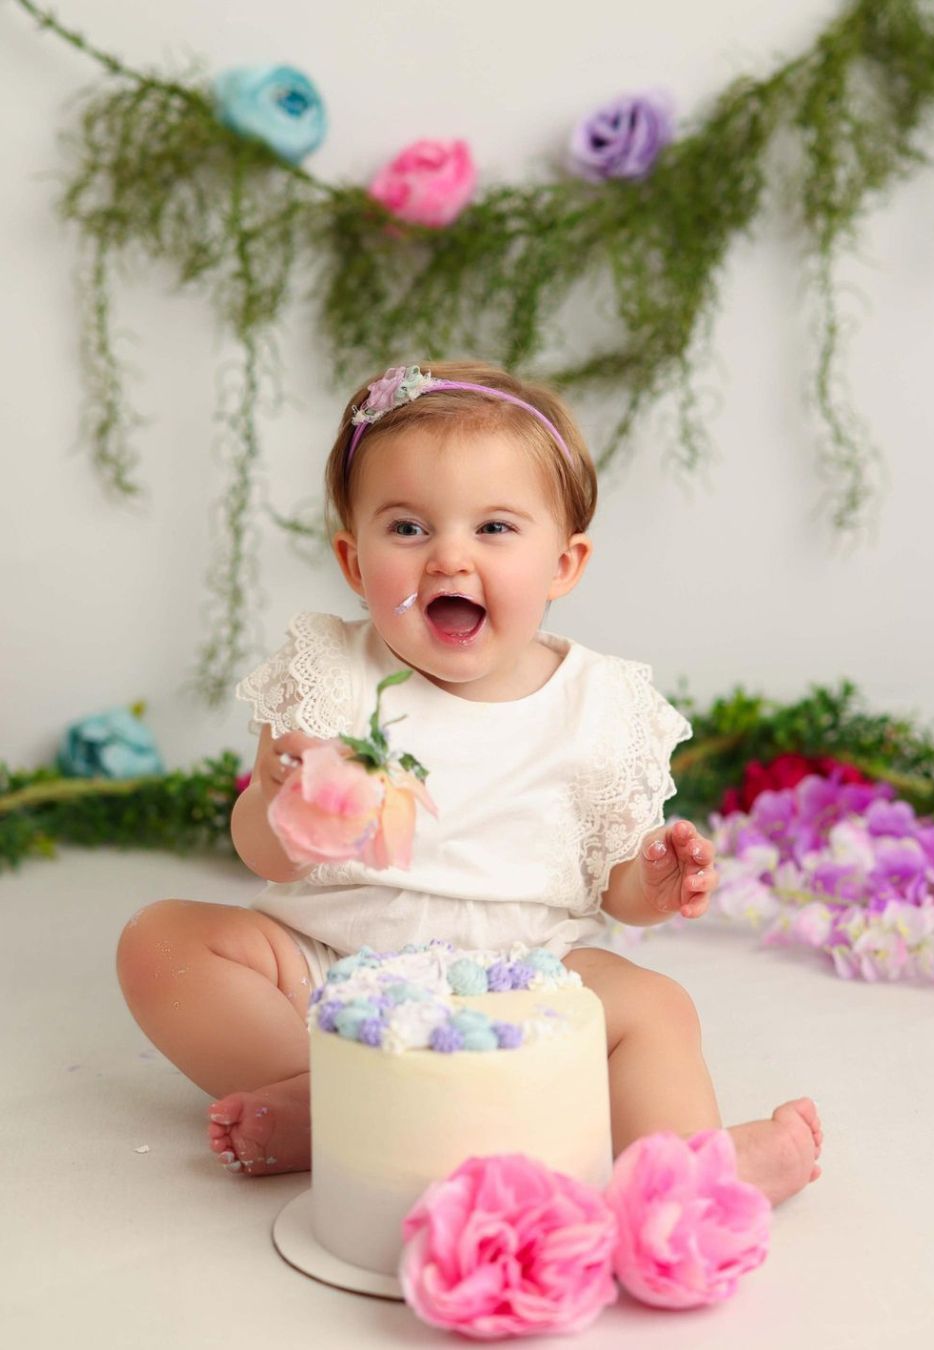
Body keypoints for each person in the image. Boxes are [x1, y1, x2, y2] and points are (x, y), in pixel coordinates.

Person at [116, 360, 822, 1204]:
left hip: (529, 984)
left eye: (494, 528)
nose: (450, 556)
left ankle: (688, 1170)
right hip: (335, 977)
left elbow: (614, 884)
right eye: (408, 529)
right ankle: (336, 1100)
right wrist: (276, 802)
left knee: (656, 1007)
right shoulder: (331, 676)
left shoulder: (599, 703)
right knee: (162, 943)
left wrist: (655, 880)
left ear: (564, 563)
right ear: (352, 557)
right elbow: (269, 855)